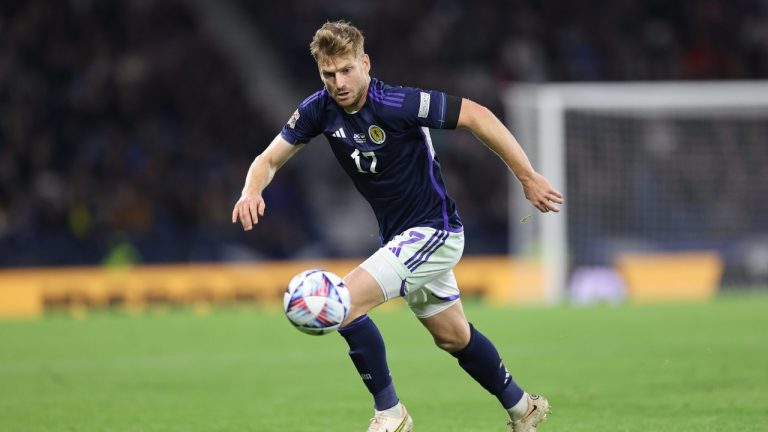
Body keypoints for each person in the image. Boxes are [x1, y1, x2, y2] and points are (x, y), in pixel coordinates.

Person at [232, 20, 563, 432]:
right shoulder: (318, 109)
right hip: (401, 239)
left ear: (365, 63)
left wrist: (527, 176)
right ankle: (522, 408)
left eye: (347, 69)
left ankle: (391, 414)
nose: (339, 82)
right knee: (453, 337)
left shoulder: (398, 103)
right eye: (329, 74)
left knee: (343, 303)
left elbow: (477, 115)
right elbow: (268, 159)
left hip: (434, 232)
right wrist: (251, 191)